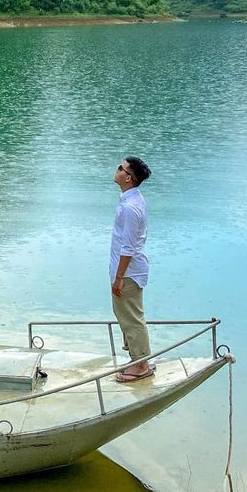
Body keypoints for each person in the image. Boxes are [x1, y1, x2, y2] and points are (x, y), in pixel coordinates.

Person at [110, 155, 153, 382]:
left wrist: (118, 278)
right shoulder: (130, 200)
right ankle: (137, 358)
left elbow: (128, 247)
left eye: (121, 168)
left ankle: (141, 365)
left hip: (127, 271)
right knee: (125, 313)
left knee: (131, 317)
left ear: (128, 177)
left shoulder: (130, 207)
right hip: (127, 269)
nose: (116, 170)